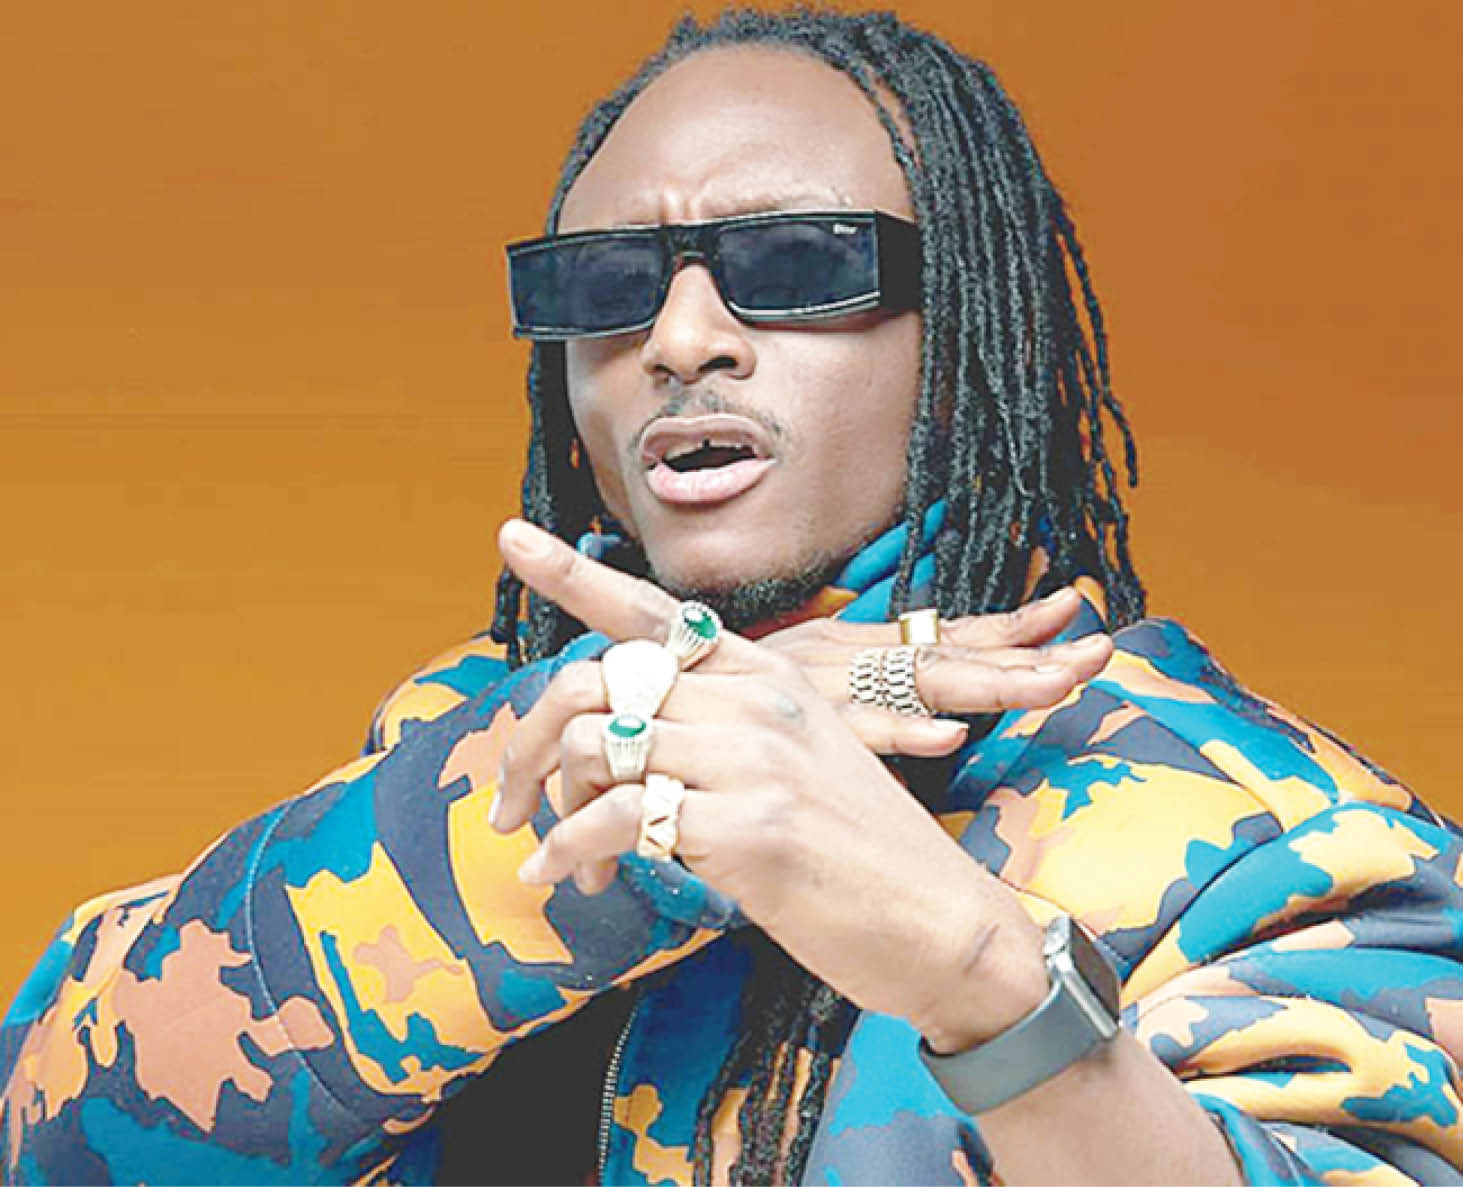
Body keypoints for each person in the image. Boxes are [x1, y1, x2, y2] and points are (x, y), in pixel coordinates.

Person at [3, 8, 1460, 1184]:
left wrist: (988, 986)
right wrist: (607, 810)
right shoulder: (482, 743)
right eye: (605, 284)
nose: (682, 336)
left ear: (969, 325)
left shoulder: (1272, 835)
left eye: (794, 262)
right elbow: (48, 1138)